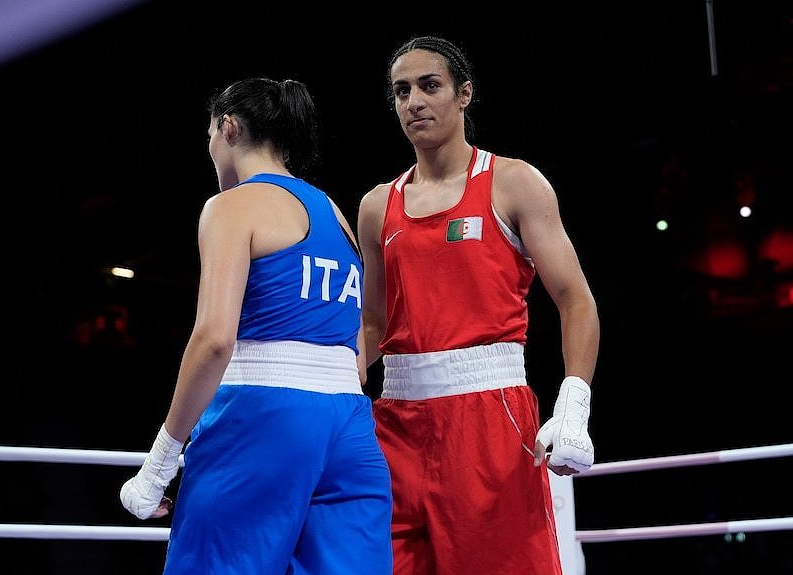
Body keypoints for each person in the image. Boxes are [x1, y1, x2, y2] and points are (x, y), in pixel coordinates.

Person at [120, 77, 393, 574]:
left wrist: (159, 464)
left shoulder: (232, 206)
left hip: (263, 418)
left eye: (208, 135)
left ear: (228, 127)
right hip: (350, 428)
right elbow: (356, 361)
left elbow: (214, 339)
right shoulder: (336, 215)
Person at [357, 36, 600, 575]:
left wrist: (574, 403)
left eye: (429, 86)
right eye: (401, 91)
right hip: (394, 423)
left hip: (489, 418)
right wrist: (324, 385)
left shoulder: (514, 183)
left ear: (464, 94)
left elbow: (575, 300)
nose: (413, 101)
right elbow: (373, 323)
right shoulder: (378, 206)